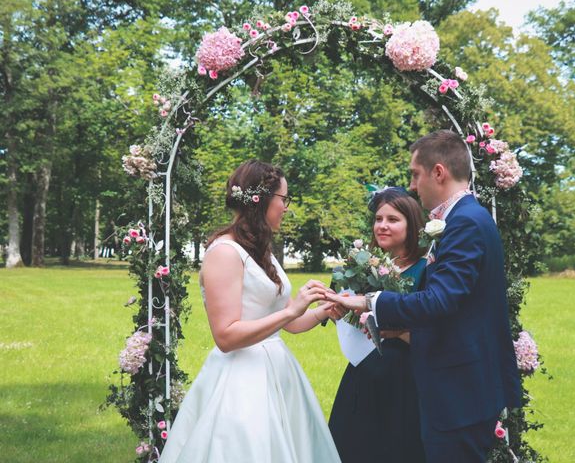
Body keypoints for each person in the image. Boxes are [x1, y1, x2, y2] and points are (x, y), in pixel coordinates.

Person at [326, 130, 522, 462]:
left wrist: (369, 302)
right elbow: (456, 308)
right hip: (458, 387)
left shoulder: (465, 224)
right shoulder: (465, 218)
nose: (413, 186)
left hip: (460, 391)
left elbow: (439, 300)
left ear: (439, 172)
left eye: (416, 175)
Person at [159, 160, 341, 463]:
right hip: (241, 380)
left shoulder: (260, 250)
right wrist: (292, 310)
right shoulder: (225, 253)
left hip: (278, 373)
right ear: (263, 199)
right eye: (284, 199)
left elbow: (290, 325)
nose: (286, 207)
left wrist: (323, 310)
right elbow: (226, 336)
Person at [329, 187, 427, 463]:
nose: (382, 226)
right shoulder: (363, 268)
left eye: (393, 219)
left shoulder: (425, 270)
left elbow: (434, 330)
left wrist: (398, 330)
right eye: (378, 219)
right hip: (363, 373)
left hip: (404, 381)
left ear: (413, 224)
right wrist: (340, 311)